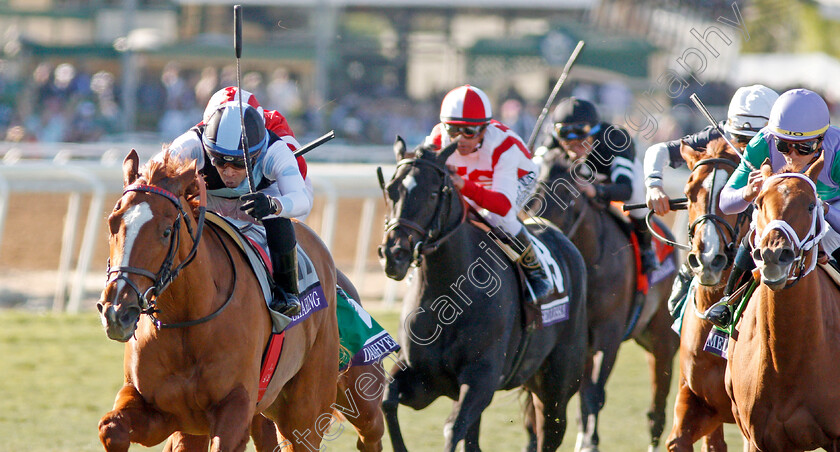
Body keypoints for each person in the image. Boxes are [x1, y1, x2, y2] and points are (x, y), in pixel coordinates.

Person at [167, 90, 312, 317]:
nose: (228, 172)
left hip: (261, 198)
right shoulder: (189, 145)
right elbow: (151, 181)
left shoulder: (276, 150)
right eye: (218, 160)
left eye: (237, 164)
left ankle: (287, 292)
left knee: (279, 218)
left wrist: (274, 205)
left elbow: (302, 200)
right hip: (211, 198)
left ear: (255, 154)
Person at [644, 84, 779, 317]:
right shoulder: (717, 135)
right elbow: (658, 151)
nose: (745, 147)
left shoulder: (787, 144)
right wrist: (654, 186)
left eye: (753, 139)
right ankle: (685, 292)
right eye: (739, 138)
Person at [713, 88, 840, 327]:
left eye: (803, 148)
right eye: (784, 145)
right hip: (785, 214)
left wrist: (825, 211)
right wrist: (747, 193)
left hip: (831, 209)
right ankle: (727, 306)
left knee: (832, 235)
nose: (792, 155)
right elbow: (726, 202)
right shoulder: (762, 142)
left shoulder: (838, 152)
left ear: (822, 140)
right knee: (756, 234)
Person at [423, 84, 552, 300]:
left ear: (484, 129)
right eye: (453, 130)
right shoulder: (436, 139)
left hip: (520, 177)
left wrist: (464, 186)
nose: (460, 139)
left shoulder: (503, 146)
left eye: (469, 131)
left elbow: (502, 204)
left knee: (498, 218)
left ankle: (536, 273)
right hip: (472, 180)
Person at [540, 97, 658, 274]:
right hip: (584, 176)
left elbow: (625, 189)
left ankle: (646, 248)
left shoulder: (616, 140)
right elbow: (534, 170)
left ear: (594, 133)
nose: (574, 149)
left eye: (581, 141)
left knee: (637, 202)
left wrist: (595, 190)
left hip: (615, 179)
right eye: (568, 143)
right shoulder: (552, 142)